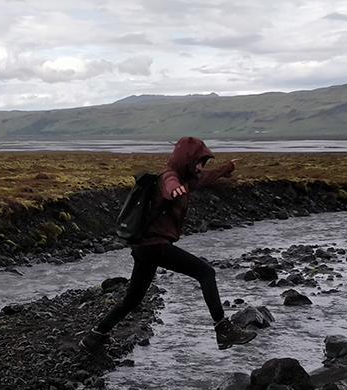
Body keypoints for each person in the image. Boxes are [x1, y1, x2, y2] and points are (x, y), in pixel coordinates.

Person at [81, 136, 257, 355]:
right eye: (199, 162)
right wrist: (174, 191)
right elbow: (168, 185)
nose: (201, 167)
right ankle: (222, 328)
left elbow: (207, 178)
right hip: (156, 246)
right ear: (187, 159)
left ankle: (94, 337)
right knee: (206, 273)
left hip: (144, 248)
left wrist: (227, 168)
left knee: (133, 299)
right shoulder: (170, 177)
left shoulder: (187, 180)